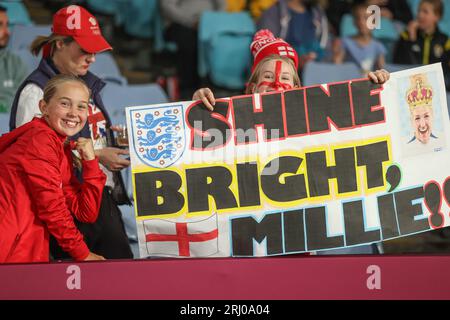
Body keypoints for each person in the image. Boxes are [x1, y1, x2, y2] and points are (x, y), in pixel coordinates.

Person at [193, 29, 389, 255]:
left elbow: (358, 133)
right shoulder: (230, 122)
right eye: (267, 77)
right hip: (247, 242)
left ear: (297, 90)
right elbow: (200, 146)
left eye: (285, 78)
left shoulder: (315, 121)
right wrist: (197, 109)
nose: (276, 83)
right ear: (253, 87)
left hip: (301, 239)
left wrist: (375, 89)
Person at [9, 5, 133, 259]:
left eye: (95, 50)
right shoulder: (36, 92)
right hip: (69, 211)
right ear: (59, 44)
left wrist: (111, 137)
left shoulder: (83, 82)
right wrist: (97, 155)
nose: (93, 57)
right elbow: (39, 169)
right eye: (85, 50)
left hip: (93, 198)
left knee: (121, 279)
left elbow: (78, 139)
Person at [0, 74, 106, 263]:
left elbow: (86, 212)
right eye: (65, 104)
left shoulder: (60, 146)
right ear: (44, 107)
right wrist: (82, 254)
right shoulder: (39, 139)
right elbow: (52, 207)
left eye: (81, 106)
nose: (74, 113)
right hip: (8, 249)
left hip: (24, 249)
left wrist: (90, 162)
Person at [160, 0, 227, 100]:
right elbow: (167, 6)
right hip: (182, 24)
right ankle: (187, 89)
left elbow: (222, 5)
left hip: (209, 25)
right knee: (189, 42)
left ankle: (215, 86)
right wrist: (190, 21)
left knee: (221, 42)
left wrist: (212, 22)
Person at [393, 0, 450, 90]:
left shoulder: (445, 41)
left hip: (437, 88)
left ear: (437, 16)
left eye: (425, 12)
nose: (420, 15)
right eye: (419, 11)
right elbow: (400, 64)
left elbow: (446, 72)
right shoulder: (406, 36)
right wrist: (412, 40)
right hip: (410, 87)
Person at [257, 0, 331, 67]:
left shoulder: (318, 14)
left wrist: (334, 54)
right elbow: (266, 54)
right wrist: (294, 60)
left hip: (314, 75)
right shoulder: (274, 13)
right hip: (283, 75)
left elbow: (325, 49)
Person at [333, 2, 387, 74]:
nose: (361, 22)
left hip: (368, 82)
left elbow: (382, 70)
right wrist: (335, 53)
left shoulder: (378, 46)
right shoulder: (345, 42)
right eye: (358, 18)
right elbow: (337, 65)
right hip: (349, 81)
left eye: (366, 18)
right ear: (354, 22)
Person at [0, 5, 28, 113]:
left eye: (7, 25)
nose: (7, 32)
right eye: (0, 25)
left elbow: (23, 103)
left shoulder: (16, 64)